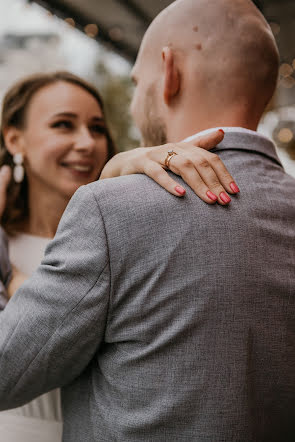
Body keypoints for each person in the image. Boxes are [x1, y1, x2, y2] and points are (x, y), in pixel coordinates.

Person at [1, 0, 294, 440]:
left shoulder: (109, 213)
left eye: (137, 82)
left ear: (168, 71)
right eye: (63, 125)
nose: (86, 142)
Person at [0, 70, 237, 442]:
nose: (86, 143)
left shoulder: (129, 236)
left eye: (97, 128)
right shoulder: (6, 243)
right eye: (63, 125)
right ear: (15, 139)